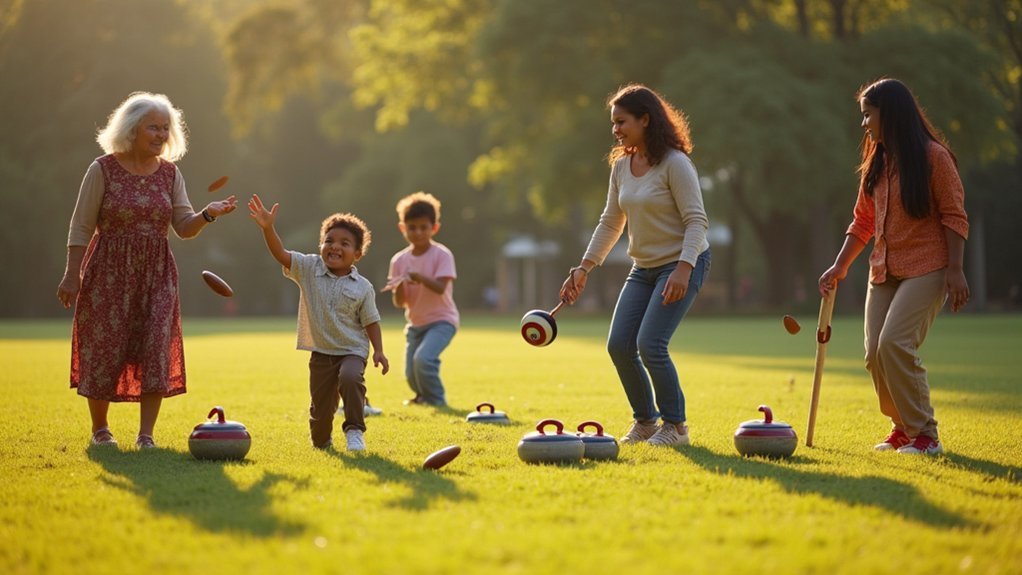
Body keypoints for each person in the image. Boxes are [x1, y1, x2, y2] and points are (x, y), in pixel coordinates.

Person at [57, 92, 238, 449]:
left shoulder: (170, 174)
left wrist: (208, 214)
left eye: (165, 128)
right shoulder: (102, 169)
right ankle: (101, 429)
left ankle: (146, 435)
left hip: (157, 274)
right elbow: (81, 226)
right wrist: (71, 274)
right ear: (132, 129)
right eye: (152, 127)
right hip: (108, 271)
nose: (161, 134)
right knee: (105, 347)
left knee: (156, 346)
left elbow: (183, 227)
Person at [819, 78, 969, 455]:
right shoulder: (877, 161)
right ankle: (902, 427)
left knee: (895, 344)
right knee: (874, 354)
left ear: (891, 113)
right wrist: (839, 266)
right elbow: (862, 221)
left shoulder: (935, 157)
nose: (864, 123)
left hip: (928, 266)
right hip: (884, 269)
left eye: (868, 115)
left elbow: (954, 215)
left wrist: (955, 270)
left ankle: (926, 435)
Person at [560, 84, 711, 446]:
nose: (615, 129)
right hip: (643, 269)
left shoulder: (675, 163)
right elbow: (611, 221)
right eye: (613, 123)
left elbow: (696, 221)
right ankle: (645, 422)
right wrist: (584, 268)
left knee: (651, 343)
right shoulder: (621, 167)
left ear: (645, 119)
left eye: (622, 121)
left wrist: (684, 268)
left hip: (682, 263)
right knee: (619, 345)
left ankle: (676, 427)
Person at [248, 195, 388, 451]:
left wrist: (378, 350)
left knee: (350, 378)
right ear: (321, 244)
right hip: (321, 353)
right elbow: (281, 254)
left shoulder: (363, 287)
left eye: (344, 243)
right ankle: (323, 439)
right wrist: (268, 228)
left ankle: (355, 430)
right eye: (329, 241)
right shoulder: (309, 268)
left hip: (352, 350)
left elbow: (371, 321)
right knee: (321, 414)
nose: (334, 247)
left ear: (357, 254)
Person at [386, 192, 459, 408]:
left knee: (424, 359)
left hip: (442, 321)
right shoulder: (398, 261)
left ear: (434, 228)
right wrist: (400, 284)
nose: (418, 232)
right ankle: (422, 397)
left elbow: (440, 288)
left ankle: (437, 400)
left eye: (423, 227)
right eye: (412, 227)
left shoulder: (442, 255)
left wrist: (419, 277)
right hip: (416, 324)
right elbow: (399, 302)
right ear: (403, 228)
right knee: (411, 373)